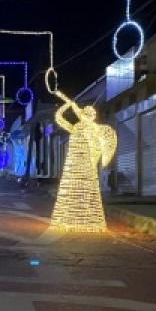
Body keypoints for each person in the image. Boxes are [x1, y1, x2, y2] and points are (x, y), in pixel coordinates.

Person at [49, 93, 116, 232]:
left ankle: (86, 220)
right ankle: (72, 219)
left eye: (88, 114)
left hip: (86, 168)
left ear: (91, 116)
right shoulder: (76, 128)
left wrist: (70, 106)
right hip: (73, 168)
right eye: (86, 113)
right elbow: (59, 118)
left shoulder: (95, 130)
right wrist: (67, 105)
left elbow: (100, 145)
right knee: (71, 194)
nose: (86, 116)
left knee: (86, 194)